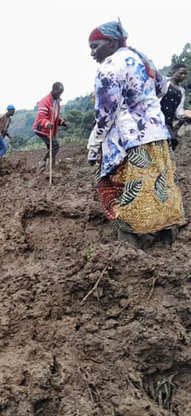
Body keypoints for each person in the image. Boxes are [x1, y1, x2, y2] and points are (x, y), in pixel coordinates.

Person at [87, 21, 186, 247]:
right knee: (158, 186)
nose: (92, 52)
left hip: (129, 139)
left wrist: (94, 145)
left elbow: (105, 114)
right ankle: (165, 238)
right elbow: (162, 87)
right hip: (157, 134)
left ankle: (129, 243)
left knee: (116, 188)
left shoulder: (108, 68)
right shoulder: (142, 58)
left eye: (95, 46)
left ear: (110, 42)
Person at [32, 83, 70, 170]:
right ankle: (44, 163)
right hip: (41, 129)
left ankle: (48, 167)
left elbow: (55, 116)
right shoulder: (45, 101)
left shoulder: (56, 101)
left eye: (61, 93)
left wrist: (63, 122)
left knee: (51, 148)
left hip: (49, 129)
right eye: (59, 92)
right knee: (55, 145)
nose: (60, 95)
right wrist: (47, 124)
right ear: (54, 90)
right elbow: (41, 118)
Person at [160, 64, 191, 151]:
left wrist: (186, 114)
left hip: (168, 123)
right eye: (181, 73)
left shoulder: (181, 91)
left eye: (185, 74)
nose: (183, 76)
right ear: (174, 72)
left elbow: (179, 111)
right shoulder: (164, 82)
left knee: (170, 145)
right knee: (171, 141)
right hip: (157, 121)